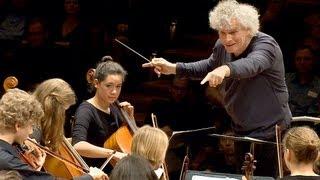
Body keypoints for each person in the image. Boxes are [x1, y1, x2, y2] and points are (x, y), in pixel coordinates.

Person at [143, 0, 291, 177]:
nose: (227, 38)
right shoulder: (222, 46)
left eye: (233, 32)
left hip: (271, 130)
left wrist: (225, 69)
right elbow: (209, 66)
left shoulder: (266, 45)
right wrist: (174, 67)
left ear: (248, 28)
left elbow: (252, 64)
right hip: (241, 128)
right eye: (222, 32)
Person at [0, 88, 108, 179]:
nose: (31, 132)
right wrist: (91, 176)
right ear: (18, 125)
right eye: (30, 126)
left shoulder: (8, 153)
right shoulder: (7, 160)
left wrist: (34, 170)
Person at [72, 60, 130, 169]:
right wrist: (113, 153)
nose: (114, 92)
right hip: (97, 173)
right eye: (109, 85)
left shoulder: (114, 106)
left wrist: (130, 119)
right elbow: (78, 146)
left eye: (118, 86)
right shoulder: (85, 110)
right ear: (96, 83)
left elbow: (123, 139)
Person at [285, 46, 320, 117]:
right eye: (298, 59)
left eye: (307, 59)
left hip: (306, 125)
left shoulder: (318, 85)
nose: (302, 62)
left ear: (314, 60)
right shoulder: (285, 79)